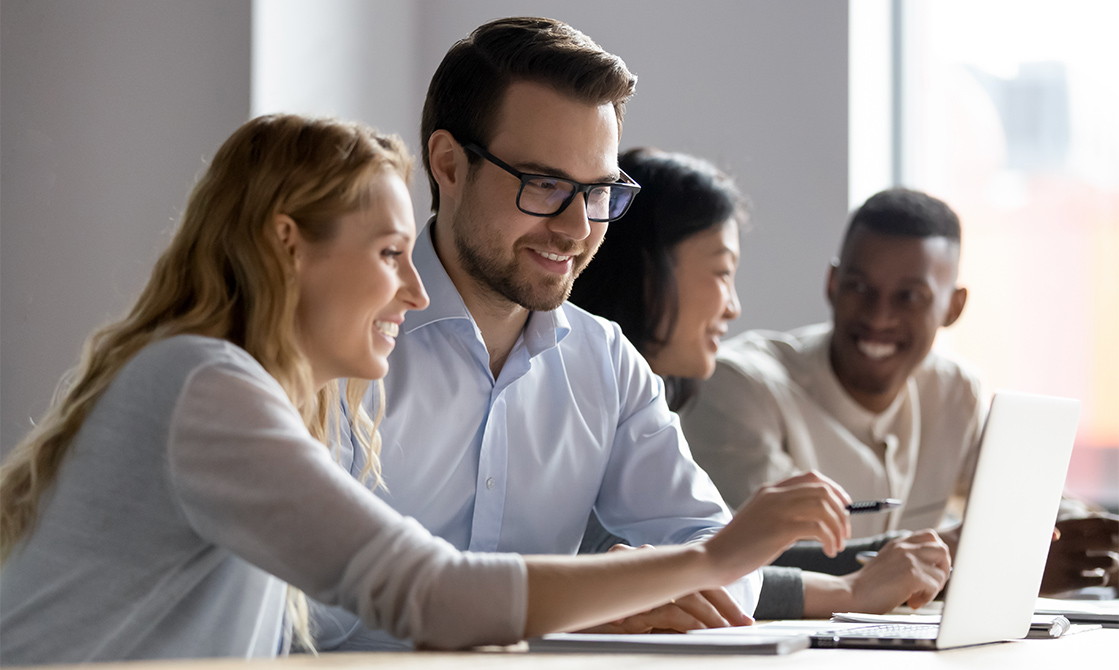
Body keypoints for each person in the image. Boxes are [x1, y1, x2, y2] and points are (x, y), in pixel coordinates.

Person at [0, 114, 861, 665]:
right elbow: (430, 593)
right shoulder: (202, 383)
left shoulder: (231, 387)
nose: (415, 293)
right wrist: (716, 556)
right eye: (387, 255)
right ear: (287, 245)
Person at [313, 17, 799, 649]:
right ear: (449, 164)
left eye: (597, 191)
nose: (576, 228)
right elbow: (303, 610)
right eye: (544, 185)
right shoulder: (338, 345)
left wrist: (647, 592)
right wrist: (569, 603)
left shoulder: (606, 362)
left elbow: (717, 547)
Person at [679, 186, 1119, 595]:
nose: (878, 316)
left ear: (954, 307)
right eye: (859, 288)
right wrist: (978, 564)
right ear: (832, 285)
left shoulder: (953, 391)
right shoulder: (740, 387)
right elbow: (764, 562)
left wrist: (1094, 542)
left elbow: (1030, 499)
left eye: (909, 297)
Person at [570, 149, 951, 620]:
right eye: (723, 272)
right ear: (649, 273)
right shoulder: (577, 389)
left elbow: (701, 559)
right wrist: (850, 591)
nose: (733, 307)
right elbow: (667, 568)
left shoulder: (644, 398)